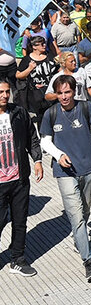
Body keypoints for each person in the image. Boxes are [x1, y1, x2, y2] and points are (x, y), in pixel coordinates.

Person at [39, 75, 91, 282]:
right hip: (65, 174)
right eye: (60, 93)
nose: (64, 97)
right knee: (76, 217)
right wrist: (58, 155)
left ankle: (80, 241)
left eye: (67, 92)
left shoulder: (86, 108)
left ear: (74, 91)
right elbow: (45, 142)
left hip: (88, 169)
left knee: (85, 210)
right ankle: (89, 261)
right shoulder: (50, 114)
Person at [0, 79, 43, 277]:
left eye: (7, 92)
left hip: (19, 178)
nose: (5, 95)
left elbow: (32, 138)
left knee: (20, 220)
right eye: (1, 92)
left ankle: (17, 259)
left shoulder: (19, 113)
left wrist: (37, 160)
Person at [44, 51, 91, 116]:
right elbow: (47, 96)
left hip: (81, 106)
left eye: (74, 60)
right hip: (66, 109)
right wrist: (59, 95)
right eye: (71, 61)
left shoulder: (81, 71)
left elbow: (90, 88)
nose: (74, 63)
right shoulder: (57, 77)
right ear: (64, 64)